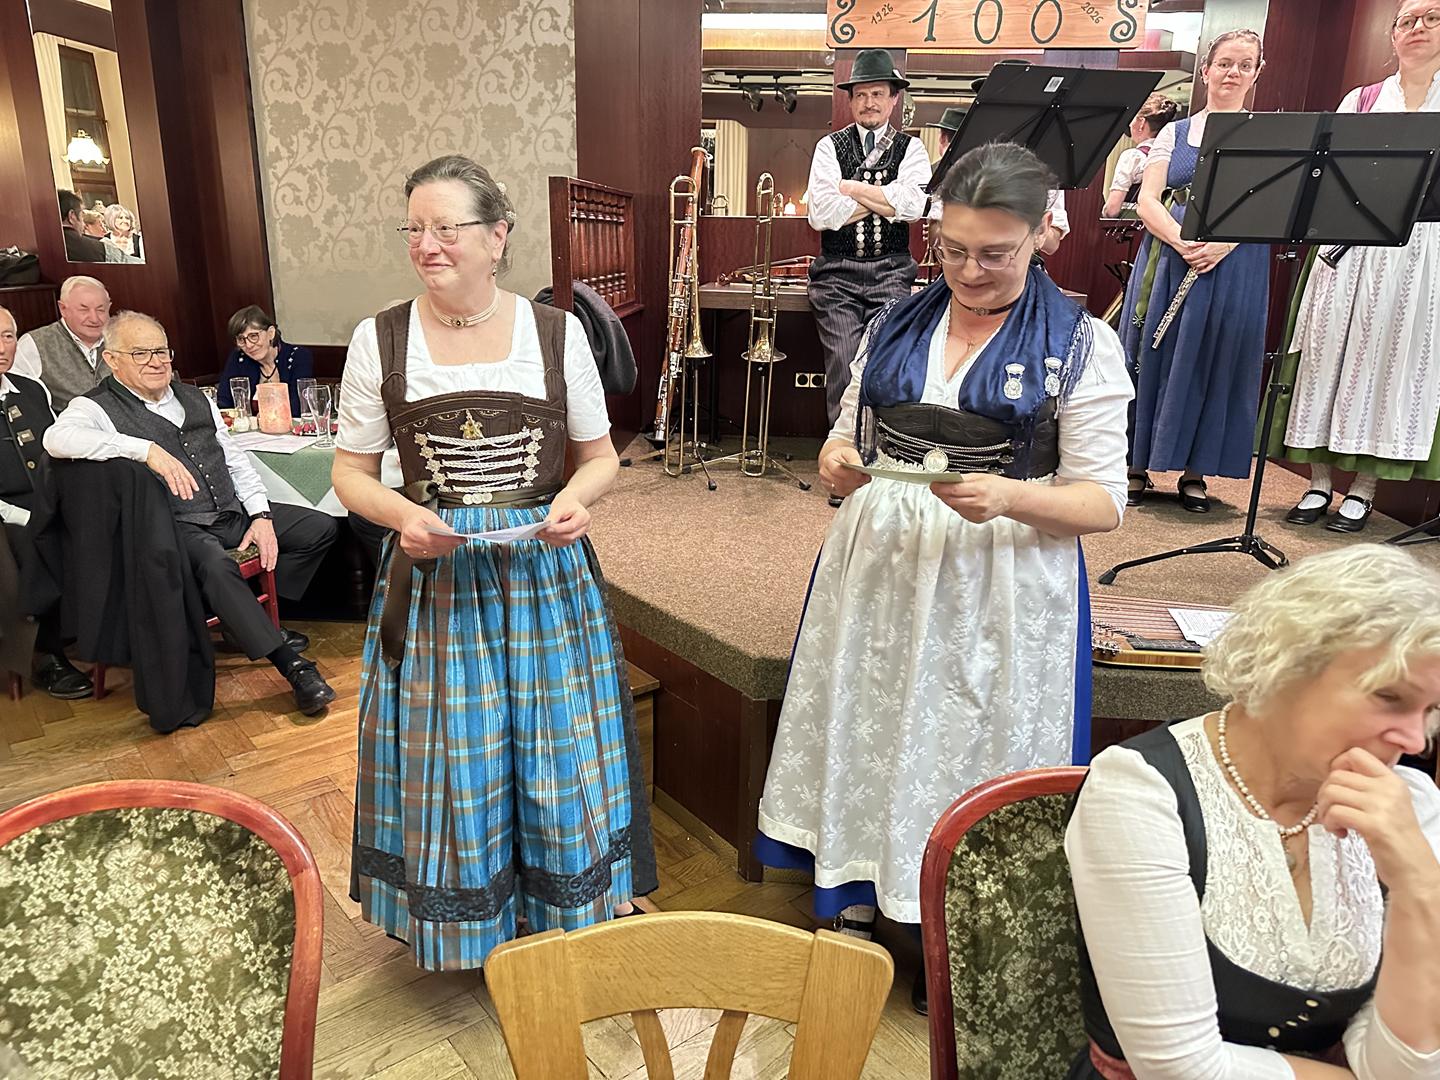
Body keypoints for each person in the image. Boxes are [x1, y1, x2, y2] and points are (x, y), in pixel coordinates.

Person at [756, 143, 1132, 1014]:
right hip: (880, 564)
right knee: (872, 718)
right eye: (952, 248)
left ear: (1042, 236)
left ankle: (958, 930)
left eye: (995, 252)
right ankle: (856, 888)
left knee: (971, 741)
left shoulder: (1083, 344)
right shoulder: (896, 321)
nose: (969, 270)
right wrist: (837, 463)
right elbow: (846, 437)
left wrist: (1010, 495)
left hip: (1000, 577)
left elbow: (1104, 503)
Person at [332, 154, 656, 971]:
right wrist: (405, 517)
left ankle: (561, 906)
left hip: (541, 568)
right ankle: (467, 927)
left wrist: (576, 500)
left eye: (447, 227)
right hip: (436, 575)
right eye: (415, 228)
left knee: (552, 742)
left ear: (498, 235)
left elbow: (600, 457)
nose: (427, 244)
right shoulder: (380, 337)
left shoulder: (556, 333)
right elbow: (350, 474)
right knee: (457, 751)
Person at [1067, 544, 1440, 1079]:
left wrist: (1421, 889)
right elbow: (1182, 1069)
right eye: (1389, 697)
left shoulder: (1410, 803)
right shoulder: (1141, 793)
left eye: (1430, 710)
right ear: (1287, 666)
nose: (1415, 739)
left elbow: (1405, 1067)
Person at [43, 310, 338, 715]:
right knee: (218, 567)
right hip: (176, 526)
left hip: (229, 513)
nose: (156, 362)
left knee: (318, 528)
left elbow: (234, 460)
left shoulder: (195, 397)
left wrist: (260, 517)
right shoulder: (94, 407)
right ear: (112, 360)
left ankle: (243, 620)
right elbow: (56, 439)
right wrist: (144, 450)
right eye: (141, 353)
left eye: (162, 351)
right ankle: (294, 668)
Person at [1272, 0, 1440, 534]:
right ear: (1392, 35)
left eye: (1432, 17)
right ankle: (1319, 481)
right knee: (1326, 357)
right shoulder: (1362, 100)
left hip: (1420, 249)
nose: (1417, 28)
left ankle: (1364, 490)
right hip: (1347, 244)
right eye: (1407, 20)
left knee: (1389, 364)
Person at [1121, 30, 1269, 512]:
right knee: (1151, 351)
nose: (1233, 73)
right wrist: (1182, 241)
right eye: (1224, 63)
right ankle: (1135, 464)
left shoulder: (1266, 133)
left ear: (1257, 73)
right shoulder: (1174, 132)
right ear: (1206, 70)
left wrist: (1223, 245)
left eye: (1244, 65)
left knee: (1214, 355)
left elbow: (1269, 205)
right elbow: (1148, 199)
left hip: (1235, 260)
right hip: (1170, 254)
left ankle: (1195, 472)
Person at [806, 48, 932, 435]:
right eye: (860, 94)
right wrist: (885, 199)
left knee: (885, 364)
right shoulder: (829, 147)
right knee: (843, 364)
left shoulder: (912, 148)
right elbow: (821, 214)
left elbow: (915, 206)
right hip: (836, 277)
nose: (869, 102)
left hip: (892, 274)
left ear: (894, 99)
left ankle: (882, 451)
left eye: (877, 93)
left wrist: (850, 188)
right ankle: (843, 451)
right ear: (850, 101)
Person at [0, 306, 92, 698]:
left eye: (7, 336)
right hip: (5, 515)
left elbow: (57, 448)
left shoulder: (31, 389)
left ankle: (105, 633)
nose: (1, 346)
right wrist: (24, 514)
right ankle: (45, 655)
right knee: (30, 540)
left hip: (46, 498)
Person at [11, 276, 111, 412]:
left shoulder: (121, 338)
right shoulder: (34, 344)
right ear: (63, 309)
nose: (94, 318)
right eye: (84, 310)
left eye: (101, 310)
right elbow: (16, 395)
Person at [217, 306, 315, 416]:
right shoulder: (239, 358)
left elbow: (299, 406)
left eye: (253, 336)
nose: (248, 345)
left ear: (271, 333)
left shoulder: (298, 356)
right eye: (241, 339)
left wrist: (267, 416)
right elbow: (223, 402)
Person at [1102, 93, 1183, 219]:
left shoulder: (1133, 157)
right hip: (1165, 224)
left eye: (1132, 118)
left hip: (1133, 227)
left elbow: (1112, 209)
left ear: (1141, 123)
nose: (1130, 124)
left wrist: (1104, 212)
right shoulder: (1175, 157)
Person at [57, 189, 106, 263]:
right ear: (72, 216)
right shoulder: (100, 250)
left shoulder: (41, 247)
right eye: (81, 216)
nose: (84, 224)